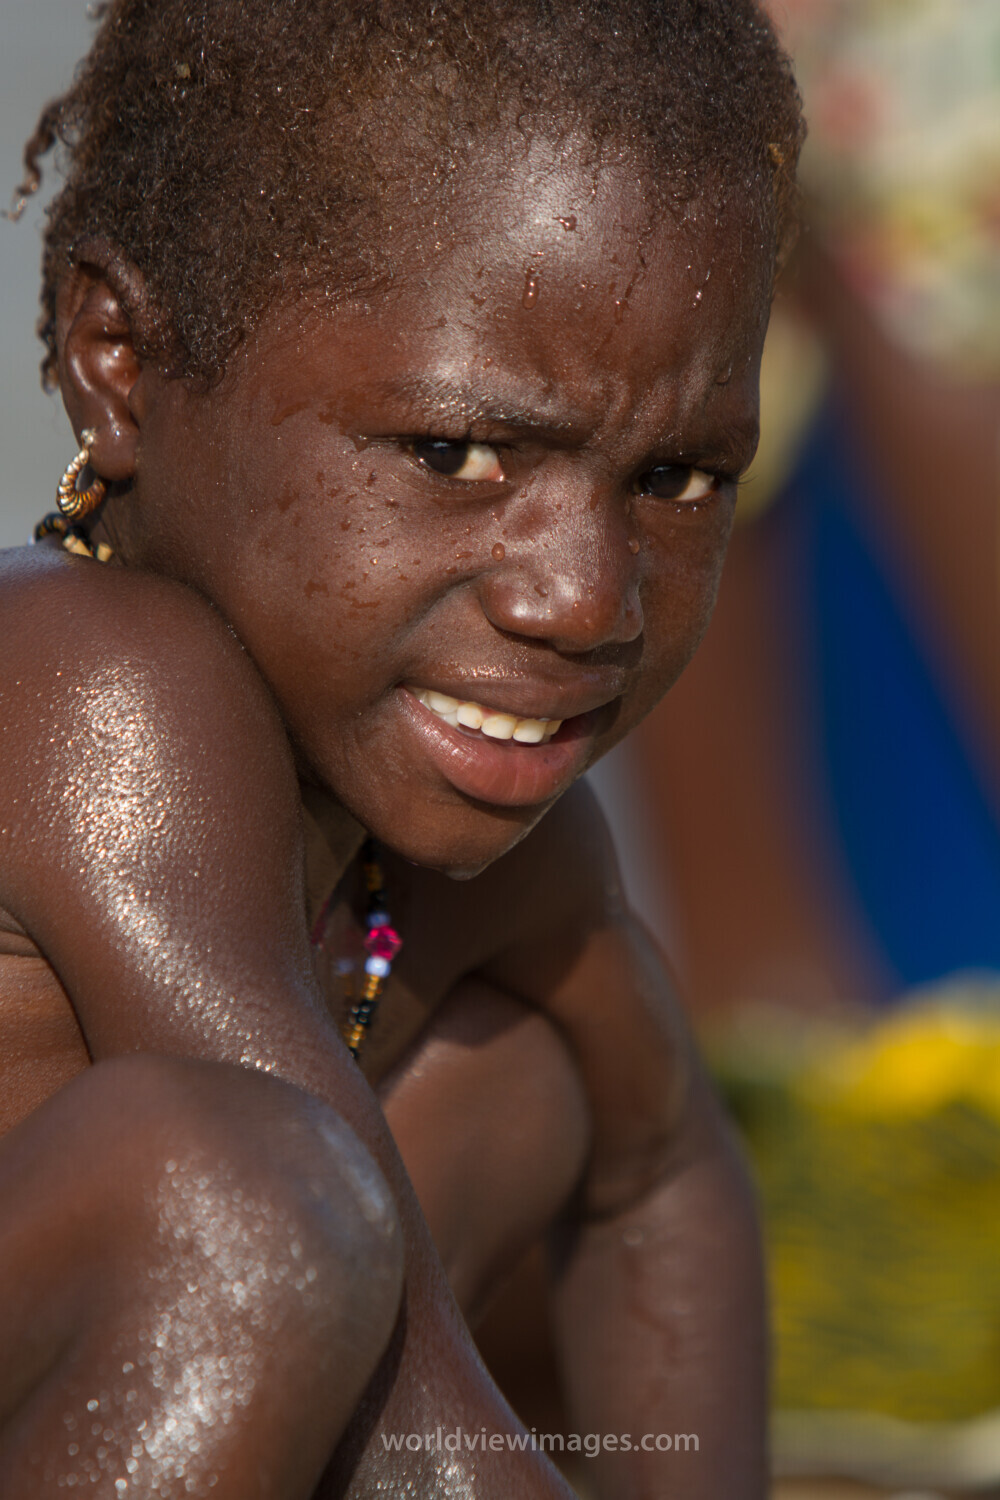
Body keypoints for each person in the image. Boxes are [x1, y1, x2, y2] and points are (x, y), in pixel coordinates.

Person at [0, 1, 803, 1494]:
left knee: (529, 1082)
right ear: (118, 362)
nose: (586, 600)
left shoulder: (492, 840)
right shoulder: (86, 688)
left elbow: (665, 1165)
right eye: (455, 453)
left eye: (679, 477)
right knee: (240, 1201)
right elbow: (389, 1377)